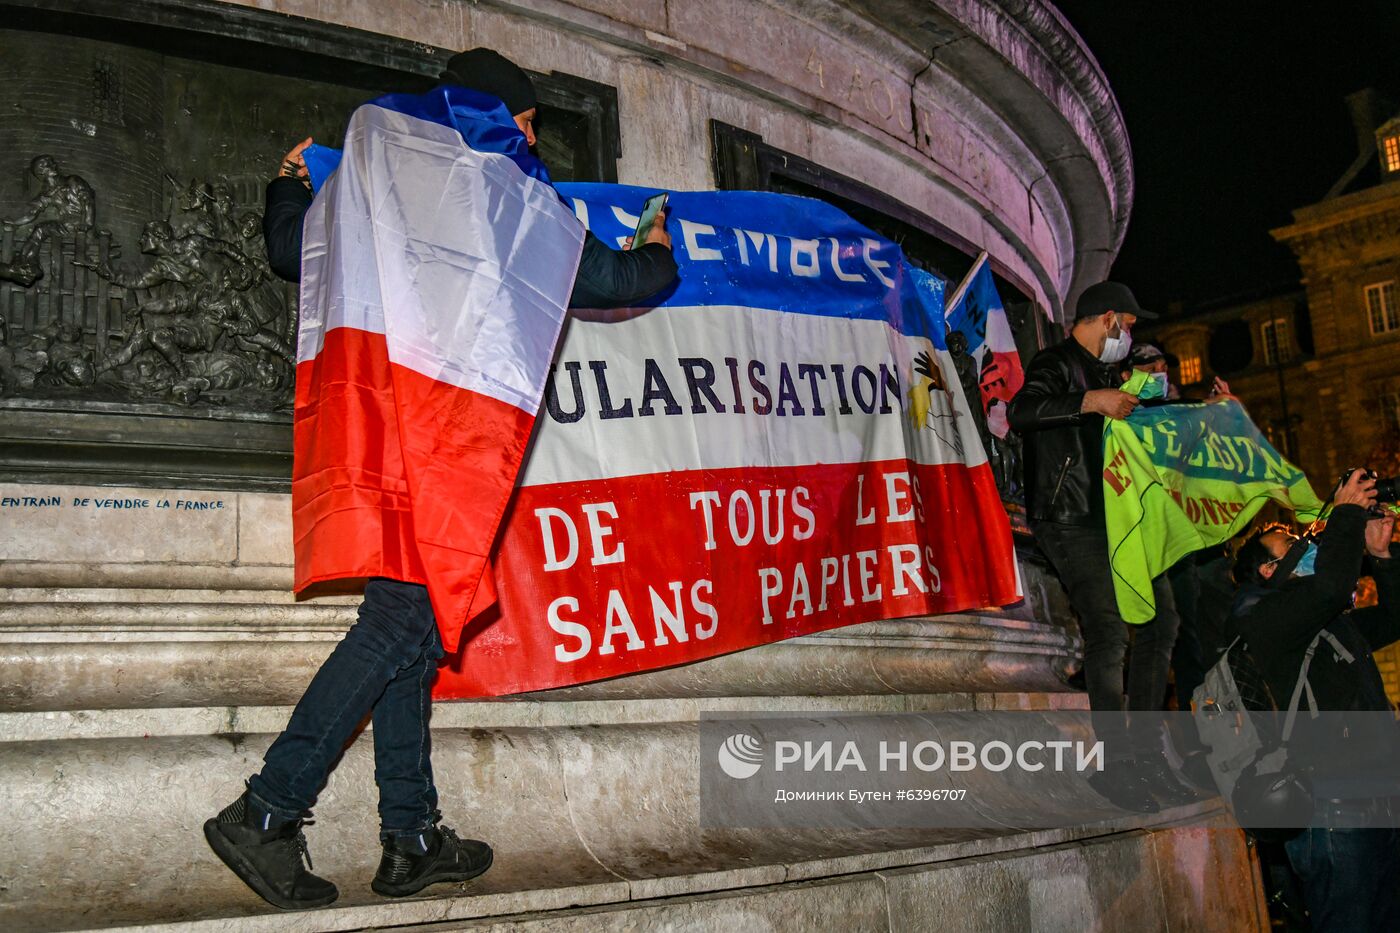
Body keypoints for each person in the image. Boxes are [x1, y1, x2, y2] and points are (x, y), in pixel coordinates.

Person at [202, 48, 679, 911]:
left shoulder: (372, 169)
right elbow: (612, 279)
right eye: (527, 122)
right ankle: (266, 810)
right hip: (441, 440)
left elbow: (287, 250)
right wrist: (658, 246)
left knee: (412, 632)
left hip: (374, 424)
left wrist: (286, 183)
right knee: (397, 624)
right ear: (496, 112)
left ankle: (411, 836)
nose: (531, 138)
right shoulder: (497, 186)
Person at [1008, 281, 1192, 811]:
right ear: (1107, 318)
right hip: (1072, 516)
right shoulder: (1057, 362)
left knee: (1160, 621)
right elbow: (1023, 412)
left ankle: (1147, 752)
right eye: (1128, 326)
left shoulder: (1116, 374)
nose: (1130, 336)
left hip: (1122, 516)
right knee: (1108, 630)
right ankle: (1117, 764)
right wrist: (1090, 401)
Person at [1229, 470, 1400, 932]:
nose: (1306, 540)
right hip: (1333, 814)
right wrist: (1343, 512)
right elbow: (1329, 586)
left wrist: (1381, 554)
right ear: (1269, 571)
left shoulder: (1329, 625)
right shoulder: (1266, 621)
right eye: (1288, 540)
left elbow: (1395, 616)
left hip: (1383, 800)